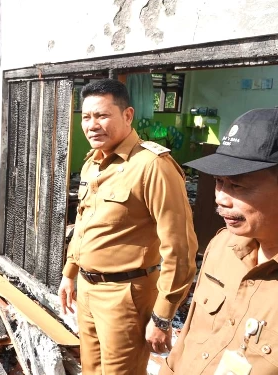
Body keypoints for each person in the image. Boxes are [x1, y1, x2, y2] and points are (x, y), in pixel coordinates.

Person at [58, 79, 198, 374]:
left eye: (102, 115)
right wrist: (70, 273)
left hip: (125, 296)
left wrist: (162, 317)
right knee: (91, 369)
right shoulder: (92, 163)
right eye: (86, 117)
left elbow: (180, 249)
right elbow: (83, 223)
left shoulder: (153, 166)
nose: (92, 125)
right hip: (87, 289)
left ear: (128, 115)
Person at [161, 108, 278, 374]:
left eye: (237, 186)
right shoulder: (222, 247)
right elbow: (190, 333)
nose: (220, 198)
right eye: (218, 182)